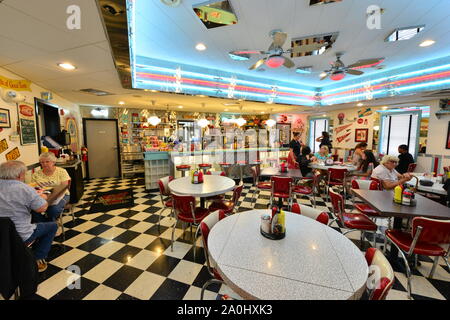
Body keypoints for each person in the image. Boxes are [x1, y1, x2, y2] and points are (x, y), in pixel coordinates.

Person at [0, 161, 57, 272]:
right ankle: (38, 258)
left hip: (1, 235)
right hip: (21, 236)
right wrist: (42, 196)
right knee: (52, 226)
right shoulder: (24, 188)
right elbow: (42, 208)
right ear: (20, 175)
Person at [32, 152, 71, 226]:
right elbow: (34, 188)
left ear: (53, 162)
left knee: (53, 210)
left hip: (62, 195)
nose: (44, 164)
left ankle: (52, 226)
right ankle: (44, 227)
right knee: (35, 210)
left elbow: (65, 186)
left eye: (47, 161)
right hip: (43, 196)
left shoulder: (62, 171)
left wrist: (52, 198)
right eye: (42, 162)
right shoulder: (36, 174)